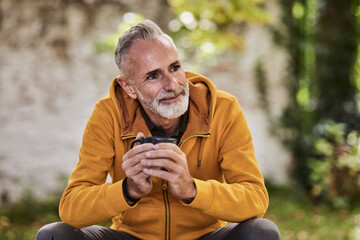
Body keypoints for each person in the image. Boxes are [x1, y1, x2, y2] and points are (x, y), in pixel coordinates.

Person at [36, 20, 281, 240]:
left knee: (261, 232)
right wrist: (129, 190)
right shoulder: (108, 114)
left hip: (203, 237)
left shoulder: (223, 109)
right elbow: (71, 208)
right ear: (129, 87)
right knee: (53, 236)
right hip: (131, 237)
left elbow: (255, 199)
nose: (172, 85)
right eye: (153, 76)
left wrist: (191, 189)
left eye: (174, 67)